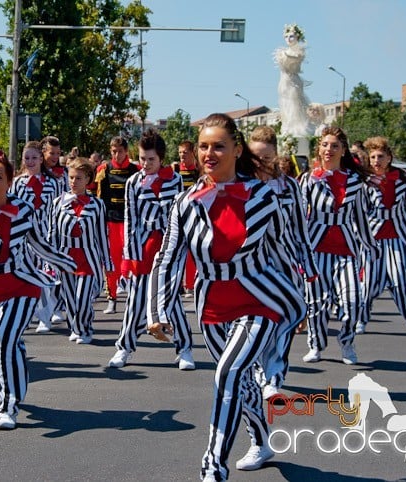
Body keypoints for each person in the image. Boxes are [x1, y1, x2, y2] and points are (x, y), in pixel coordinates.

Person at [148, 114, 306, 481]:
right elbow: (168, 258)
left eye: (218, 146)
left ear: (237, 149)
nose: (209, 153)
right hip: (214, 305)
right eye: (204, 146)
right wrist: (158, 310)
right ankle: (262, 440)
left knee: (228, 374)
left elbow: (287, 251)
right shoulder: (185, 203)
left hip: (259, 297)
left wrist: (299, 307)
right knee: (241, 382)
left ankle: (212, 467)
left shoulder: (264, 196)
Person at [0, 149, 76, 430]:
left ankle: (7, 406)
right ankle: (14, 378)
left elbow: (37, 243)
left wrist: (63, 261)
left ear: (9, 182)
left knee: (6, 339)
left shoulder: (21, 209)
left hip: (20, 283)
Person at [108, 129, 195, 370]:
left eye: (151, 159)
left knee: (170, 302)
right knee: (135, 302)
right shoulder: (133, 182)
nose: (145, 164)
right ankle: (124, 348)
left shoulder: (176, 180)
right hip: (142, 248)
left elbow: (181, 217)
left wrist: (180, 250)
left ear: (162, 158)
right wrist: (128, 257)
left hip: (168, 248)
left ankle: (185, 348)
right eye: (142, 158)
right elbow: (130, 219)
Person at [248, 125, 318, 399]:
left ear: (276, 155)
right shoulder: (242, 183)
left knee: (283, 322)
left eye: (266, 157)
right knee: (254, 322)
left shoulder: (289, 186)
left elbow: (301, 230)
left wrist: (309, 269)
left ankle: (274, 375)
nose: (261, 162)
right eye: (256, 157)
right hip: (250, 267)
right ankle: (257, 367)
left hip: (284, 265)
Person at [299, 126, 378, 365]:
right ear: (319, 148)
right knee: (316, 303)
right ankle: (316, 344)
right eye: (325, 145)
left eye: (334, 146)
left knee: (353, 301)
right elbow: (300, 217)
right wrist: (297, 251)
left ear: (343, 150)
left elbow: (361, 218)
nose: (329, 150)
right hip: (317, 247)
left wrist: (371, 248)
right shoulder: (309, 179)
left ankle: (347, 342)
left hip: (346, 250)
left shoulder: (354, 182)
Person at [356, 137, 406, 337]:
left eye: (380, 156)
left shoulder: (401, 180)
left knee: (400, 281)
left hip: (396, 237)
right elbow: (359, 213)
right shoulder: (366, 182)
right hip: (373, 238)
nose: (376, 161)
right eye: (372, 157)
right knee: (368, 283)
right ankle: (361, 319)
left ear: (389, 158)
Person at [49, 158, 112, 344]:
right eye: (71, 177)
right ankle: (75, 327)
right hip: (66, 257)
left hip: (88, 257)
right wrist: (50, 259)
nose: (73, 182)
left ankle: (85, 329)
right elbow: (53, 233)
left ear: (87, 180)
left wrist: (107, 263)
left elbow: (102, 235)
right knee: (70, 299)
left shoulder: (97, 205)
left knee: (82, 298)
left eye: (78, 178)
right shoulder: (58, 203)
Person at [10, 141, 63, 333]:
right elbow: (12, 210)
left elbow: (58, 210)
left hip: (46, 237)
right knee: (27, 276)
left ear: (41, 159)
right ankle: (28, 313)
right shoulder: (17, 184)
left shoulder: (53, 183)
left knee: (46, 276)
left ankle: (45, 316)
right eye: (27, 158)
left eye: (34, 157)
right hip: (24, 237)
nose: (30, 161)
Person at [95, 136, 140, 314]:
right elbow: (100, 198)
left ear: (126, 151)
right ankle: (111, 297)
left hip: (130, 221)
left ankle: (128, 284)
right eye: (113, 151)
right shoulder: (104, 170)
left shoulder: (135, 170)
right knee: (111, 260)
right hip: (111, 220)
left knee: (131, 256)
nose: (117, 154)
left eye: (120, 151)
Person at [172, 140, 201, 297]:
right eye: (180, 152)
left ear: (192, 153)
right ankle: (178, 284)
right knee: (176, 250)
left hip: (195, 215)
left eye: (185, 152)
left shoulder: (198, 169)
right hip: (179, 215)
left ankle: (190, 284)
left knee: (192, 252)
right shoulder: (175, 169)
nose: (182, 155)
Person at [274, 23, 312, 137]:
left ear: (297, 38)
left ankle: (296, 129)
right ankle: (286, 127)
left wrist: (285, 55)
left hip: (293, 81)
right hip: (283, 81)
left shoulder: (299, 51)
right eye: (286, 36)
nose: (289, 39)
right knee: (285, 103)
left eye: (292, 36)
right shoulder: (282, 51)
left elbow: (294, 58)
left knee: (294, 103)